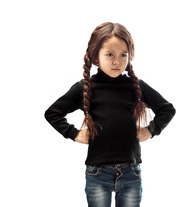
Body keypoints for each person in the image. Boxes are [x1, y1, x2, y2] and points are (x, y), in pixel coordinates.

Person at [44, 22, 175, 207]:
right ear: (95, 56)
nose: (117, 61)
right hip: (97, 173)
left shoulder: (136, 86)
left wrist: (151, 130)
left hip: (131, 173)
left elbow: (167, 109)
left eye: (123, 55)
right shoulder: (84, 88)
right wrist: (73, 134)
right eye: (109, 54)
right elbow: (52, 113)